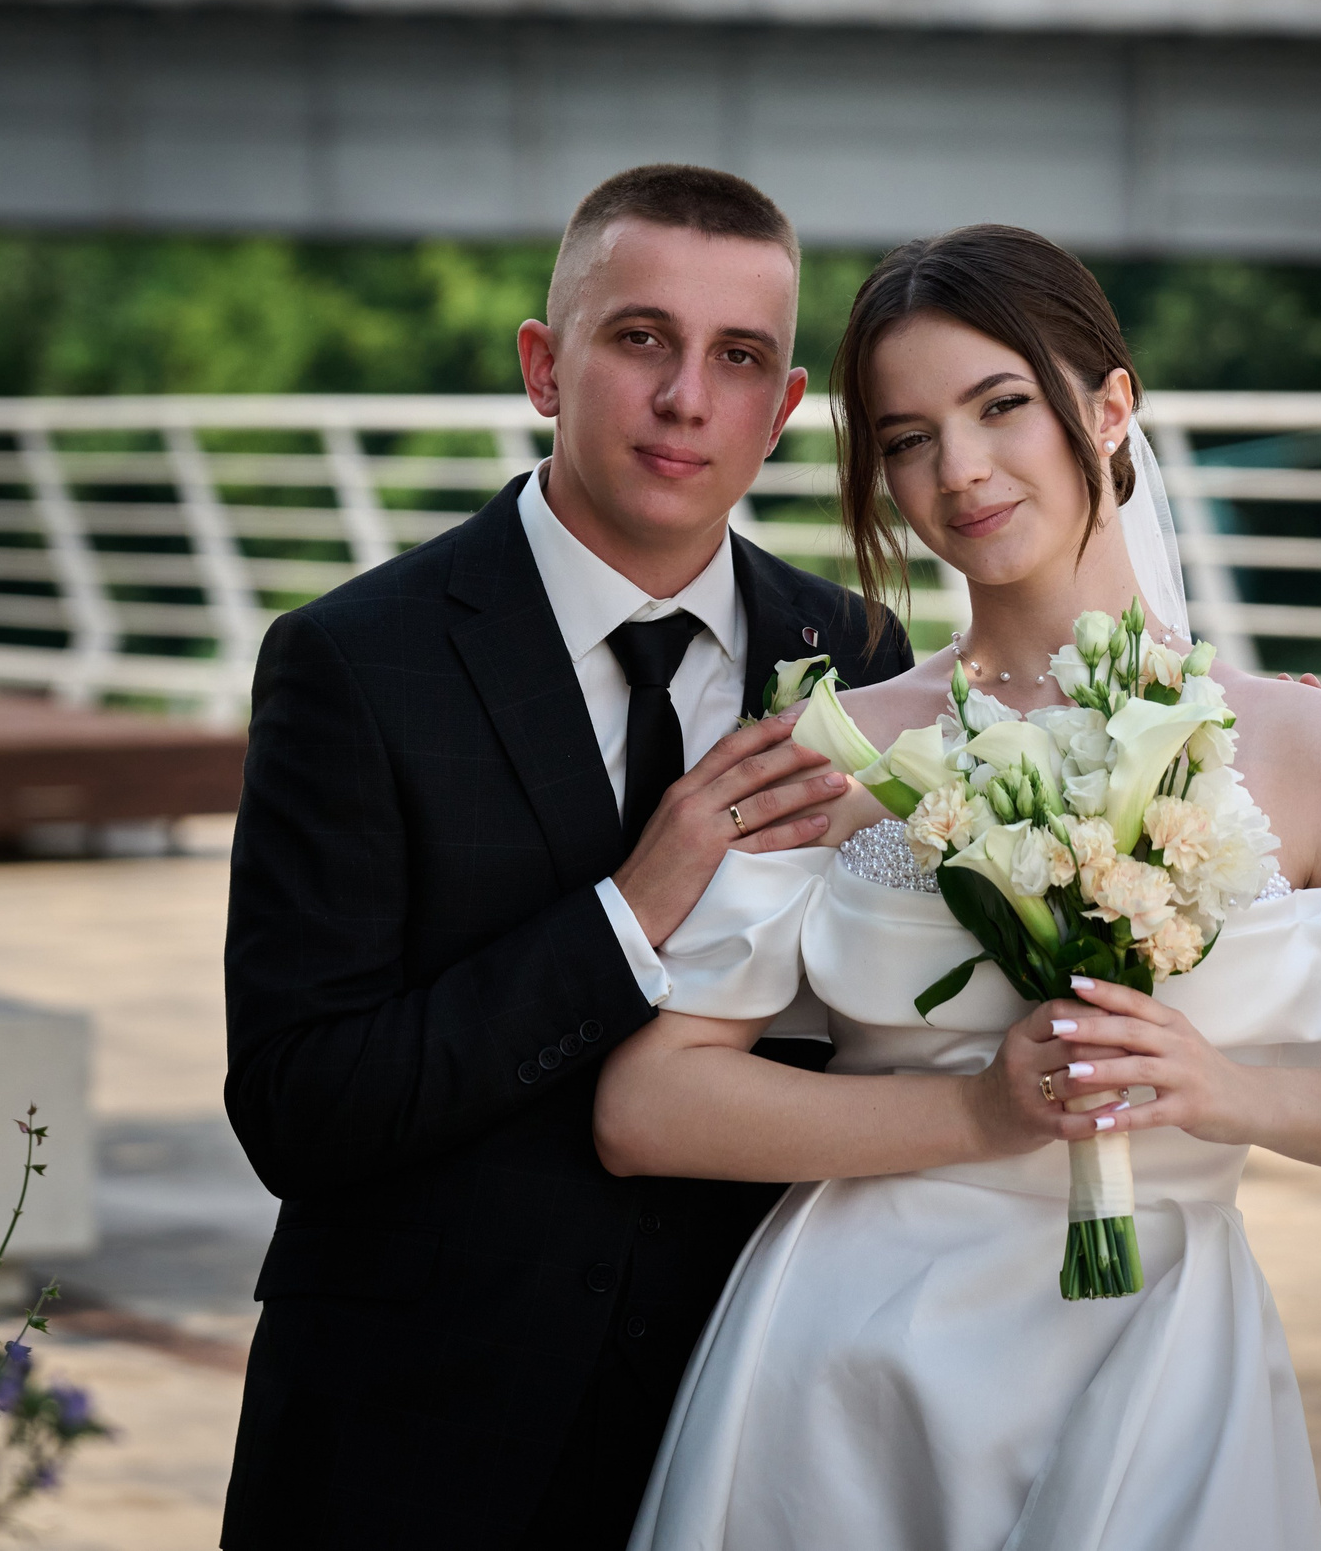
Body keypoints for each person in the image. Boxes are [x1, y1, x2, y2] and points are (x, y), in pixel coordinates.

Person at [592, 224, 1321, 1551]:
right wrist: (979, 1113)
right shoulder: (836, 746)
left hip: (1162, 1340)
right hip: (851, 1371)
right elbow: (650, 1104)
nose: (960, 472)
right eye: (908, 439)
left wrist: (1229, 1092)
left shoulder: (1309, 745)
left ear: (1107, 406)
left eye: (1002, 407)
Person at [219, 165, 917, 1549]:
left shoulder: (860, 663)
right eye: (641, 338)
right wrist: (628, 912)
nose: (685, 400)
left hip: (755, 1430)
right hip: (415, 1441)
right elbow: (301, 1110)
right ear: (547, 364)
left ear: (781, 414)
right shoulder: (356, 664)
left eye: (740, 360)